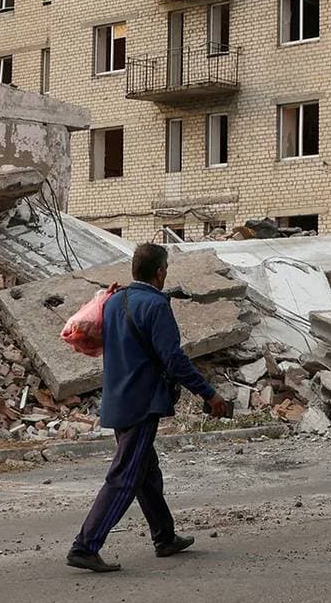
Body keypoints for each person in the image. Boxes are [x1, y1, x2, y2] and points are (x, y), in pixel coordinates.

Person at [67, 241, 230, 573]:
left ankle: (164, 536)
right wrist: (209, 394)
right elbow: (174, 360)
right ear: (160, 271)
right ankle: (86, 545)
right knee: (126, 476)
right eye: (166, 269)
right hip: (142, 403)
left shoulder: (114, 301)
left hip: (116, 399)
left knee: (145, 473)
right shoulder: (156, 306)